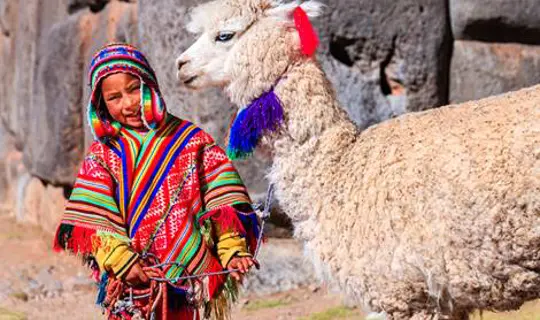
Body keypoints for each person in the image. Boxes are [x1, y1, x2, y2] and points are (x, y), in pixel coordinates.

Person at [53, 43, 260, 320]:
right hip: (131, 287)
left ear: (149, 84)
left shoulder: (192, 142)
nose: (128, 103)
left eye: (133, 89)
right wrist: (121, 261)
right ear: (99, 103)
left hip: (188, 286)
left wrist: (231, 252)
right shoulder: (102, 156)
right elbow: (95, 224)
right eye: (114, 97)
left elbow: (222, 207)